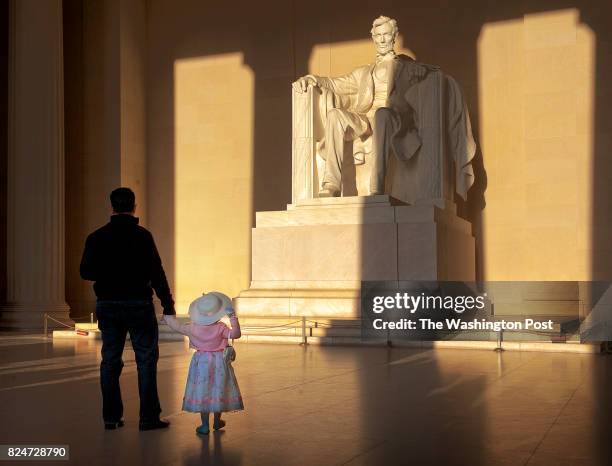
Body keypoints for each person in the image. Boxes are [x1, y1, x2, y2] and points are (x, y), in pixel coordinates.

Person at [292, 16, 475, 201]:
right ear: (373, 38)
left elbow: (437, 75)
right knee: (335, 115)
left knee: (382, 115)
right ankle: (331, 184)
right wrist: (312, 79)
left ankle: (377, 187)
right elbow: (336, 84)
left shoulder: (407, 66)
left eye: (386, 34)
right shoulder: (363, 72)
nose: (381, 39)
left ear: (394, 37)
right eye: (378, 35)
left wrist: (423, 74)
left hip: (395, 120)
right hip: (365, 120)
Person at [80, 187, 175, 431]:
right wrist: (168, 304)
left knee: (110, 361)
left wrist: (109, 271)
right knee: (146, 361)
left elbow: (85, 272)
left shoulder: (96, 237)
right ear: (134, 207)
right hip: (138, 304)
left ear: (111, 207)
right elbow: (157, 273)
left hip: (108, 305)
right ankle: (148, 418)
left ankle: (111, 418)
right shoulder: (143, 236)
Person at [162, 291, 244, 435]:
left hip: (201, 363)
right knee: (218, 389)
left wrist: (168, 317)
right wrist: (232, 317)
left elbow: (176, 326)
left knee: (203, 391)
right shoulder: (221, 328)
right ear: (217, 311)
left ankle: (204, 425)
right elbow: (236, 334)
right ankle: (217, 421)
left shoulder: (192, 327)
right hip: (219, 362)